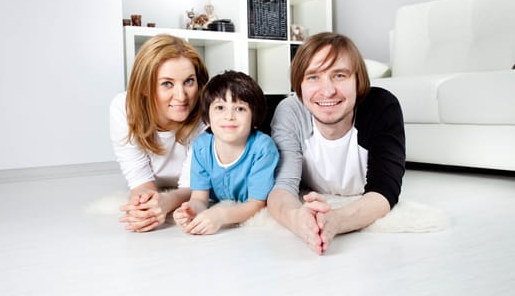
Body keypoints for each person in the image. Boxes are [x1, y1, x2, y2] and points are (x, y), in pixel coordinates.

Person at [267, 32, 405, 255]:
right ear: (299, 86)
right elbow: (282, 187)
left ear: (357, 81)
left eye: (339, 75)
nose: (328, 90)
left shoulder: (381, 106)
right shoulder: (290, 112)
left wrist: (335, 221)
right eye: (313, 77)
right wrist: (297, 220)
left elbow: (384, 191)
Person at [110, 34, 209, 232]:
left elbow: (196, 187)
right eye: (167, 83)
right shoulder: (123, 108)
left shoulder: (207, 112)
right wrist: (144, 206)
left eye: (189, 81)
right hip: (159, 187)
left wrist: (165, 202)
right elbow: (140, 181)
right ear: (145, 87)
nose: (182, 96)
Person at [173, 70, 279, 235]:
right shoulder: (201, 146)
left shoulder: (263, 148)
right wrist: (192, 209)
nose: (229, 116)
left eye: (240, 109)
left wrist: (221, 215)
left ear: (254, 118)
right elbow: (200, 197)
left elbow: (257, 204)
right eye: (220, 107)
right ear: (207, 118)